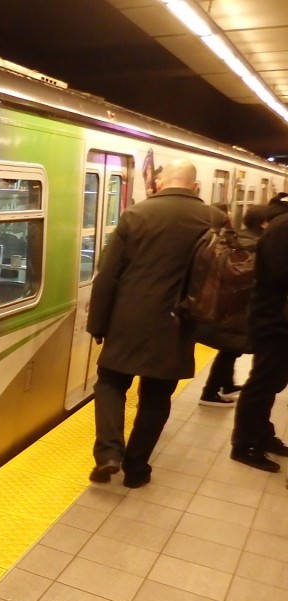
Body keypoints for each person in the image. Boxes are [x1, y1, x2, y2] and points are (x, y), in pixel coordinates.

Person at [87, 159, 225, 488]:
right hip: (178, 324)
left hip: (128, 319)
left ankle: (109, 453)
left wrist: (98, 324)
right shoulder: (214, 219)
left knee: (110, 383)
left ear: (160, 182)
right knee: (156, 398)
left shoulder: (136, 215)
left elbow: (108, 276)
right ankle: (136, 469)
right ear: (195, 187)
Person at [229, 196, 288, 471]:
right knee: (262, 384)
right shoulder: (283, 227)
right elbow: (279, 274)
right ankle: (244, 444)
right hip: (273, 321)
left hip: (277, 319)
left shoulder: (280, 224)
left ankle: (262, 434)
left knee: (271, 383)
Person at [195, 204, 272, 406]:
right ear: (264, 223)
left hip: (229, 307)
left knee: (231, 349)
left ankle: (225, 385)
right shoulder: (259, 245)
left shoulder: (240, 238)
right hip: (239, 309)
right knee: (232, 348)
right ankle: (210, 392)